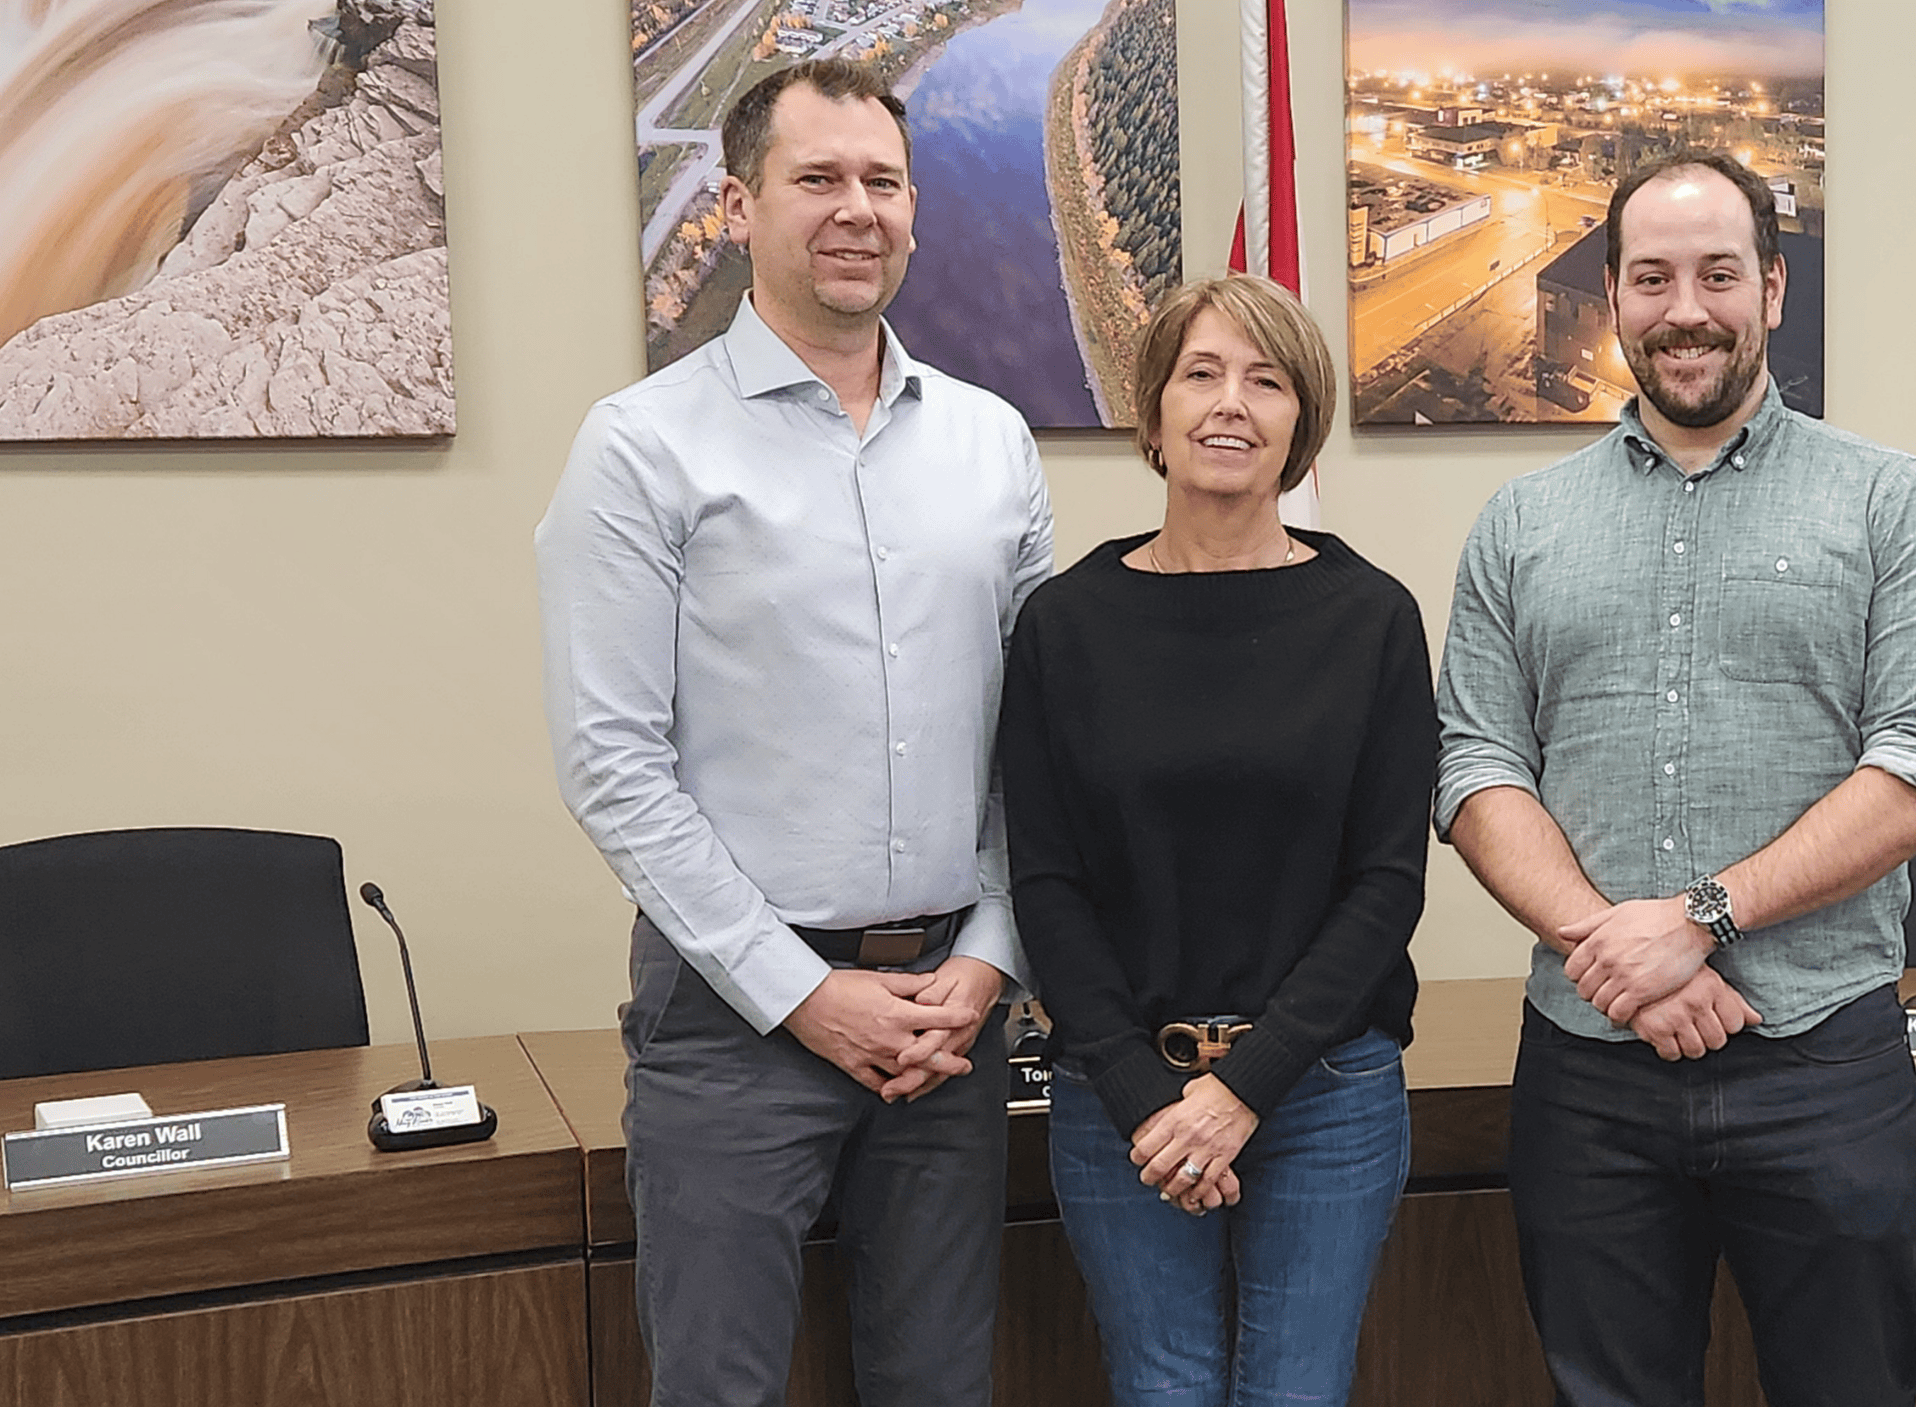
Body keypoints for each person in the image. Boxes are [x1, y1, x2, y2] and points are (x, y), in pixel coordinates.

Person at [534, 58, 1052, 1407]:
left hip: (953, 1012)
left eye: (882, 181)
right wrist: (803, 991)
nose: (855, 210)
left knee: (939, 1383)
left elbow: (1037, 741)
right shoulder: (640, 446)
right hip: (733, 1023)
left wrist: (993, 956)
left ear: (914, 210)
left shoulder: (995, 446)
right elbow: (612, 762)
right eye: (817, 178)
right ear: (736, 203)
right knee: (721, 1387)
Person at [1436, 150, 1916, 1407]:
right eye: (1651, 278)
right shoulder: (1520, 527)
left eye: (1716, 274)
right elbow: (1474, 764)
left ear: (1773, 291)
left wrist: (1698, 921)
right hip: (1588, 1070)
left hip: (1820, 1064)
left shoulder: (1891, 505)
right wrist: (1613, 953)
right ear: (1619, 296)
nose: (1684, 308)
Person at [998, 274, 1436, 1407]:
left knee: (1297, 1391)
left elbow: (1385, 885)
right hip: (1119, 1095)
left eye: (1266, 380)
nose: (1229, 404)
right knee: (1163, 1387)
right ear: (1152, 415)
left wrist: (1243, 1088)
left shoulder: (1371, 618)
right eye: (1200, 373)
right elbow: (1045, 882)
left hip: (1325, 1087)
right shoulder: (1063, 624)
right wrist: (1150, 1098)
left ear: (1301, 425)